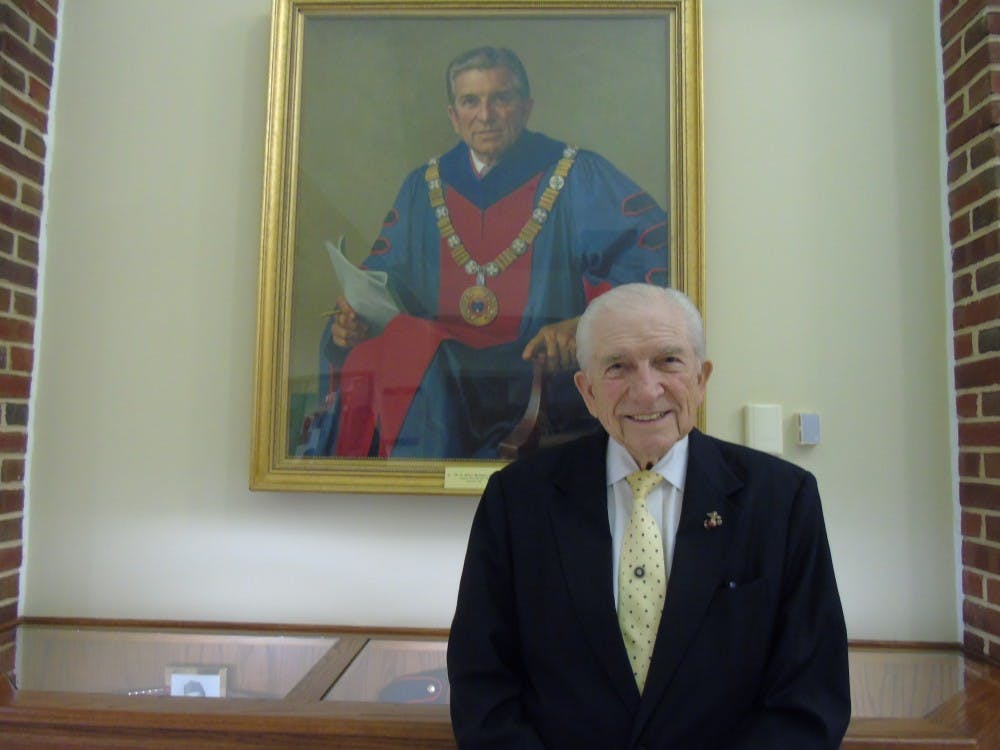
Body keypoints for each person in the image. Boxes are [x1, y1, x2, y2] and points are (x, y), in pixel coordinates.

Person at [447, 283, 851, 749]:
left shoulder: (782, 501)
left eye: (668, 361)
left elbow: (811, 697)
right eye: (617, 366)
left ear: (701, 379)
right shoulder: (517, 500)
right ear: (587, 391)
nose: (646, 390)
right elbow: (483, 681)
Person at [303, 46, 667, 459]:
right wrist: (352, 323)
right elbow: (381, 281)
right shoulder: (423, 188)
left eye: (501, 98)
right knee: (387, 355)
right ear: (453, 116)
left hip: (534, 367)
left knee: (429, 363)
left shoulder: (574, 175)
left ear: (526, 108)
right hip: (441, 369)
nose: (486, 114)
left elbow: (650, 254)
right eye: (470, 101)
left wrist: (585, 324)